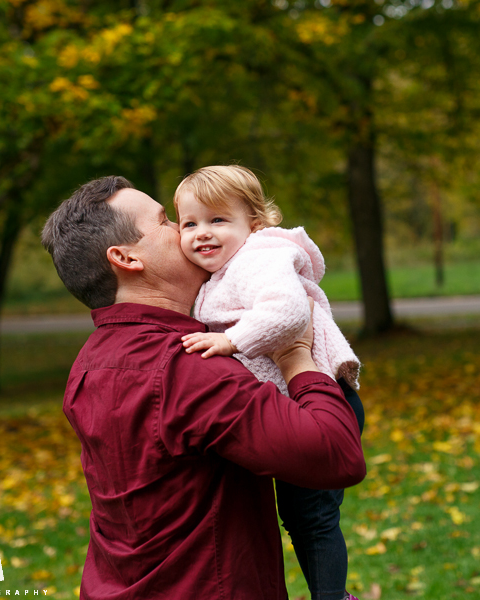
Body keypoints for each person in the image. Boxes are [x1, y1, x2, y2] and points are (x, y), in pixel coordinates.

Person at [40, 175, 366, 600]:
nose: (183, 229)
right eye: (165, 222)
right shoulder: (191, 369)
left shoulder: (88, 365)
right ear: (126, 258)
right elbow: (337, 456)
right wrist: (296, 357)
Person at [174, 165, 363, 600]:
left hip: (323, 400)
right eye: (190, 223)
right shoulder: (223, 271)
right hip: (299, 404)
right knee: (303, 514)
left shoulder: (258, 257)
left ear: (255, 225)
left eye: (218, 220)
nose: (202, 232)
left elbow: (288, 312)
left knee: (310, 515)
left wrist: (230, 340)